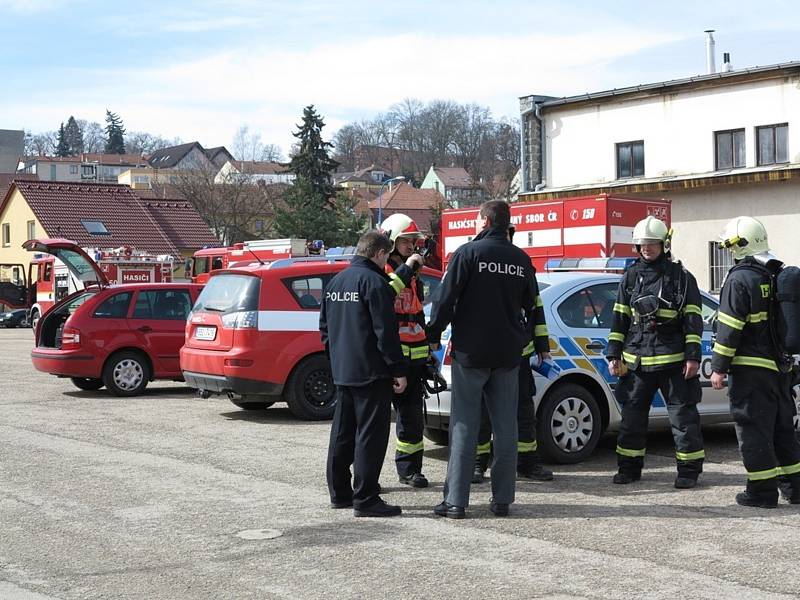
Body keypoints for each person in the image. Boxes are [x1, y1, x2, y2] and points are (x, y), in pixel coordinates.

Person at [427, 200, 537, 519]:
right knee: (506, 427)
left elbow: (445, 299)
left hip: (471, 353)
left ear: (486, 221)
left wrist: (433, 333)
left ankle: (456, 502)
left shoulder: (468, 253)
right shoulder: (520, 258)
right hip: (507, 355)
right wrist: (521, 338)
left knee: (464, 424)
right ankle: (502, 500)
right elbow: (531, 304)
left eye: (478, 219)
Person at [606, 216, 705, 488]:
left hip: (673, 362)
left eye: (652, 243)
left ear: (664, 244)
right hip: (636, 363)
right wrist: (614, 354)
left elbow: (693, 321)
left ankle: (688, 471)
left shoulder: (682, 278)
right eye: (642, 244)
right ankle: (628, 469)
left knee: (683, 420)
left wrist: (693, 356)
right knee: (632, 420)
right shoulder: (630, 277)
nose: (647, 248)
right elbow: (619, 320)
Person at [711, 216, 800, 508]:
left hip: (750, 369)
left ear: (740, 245)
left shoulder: (740, 278)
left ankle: (761, 493)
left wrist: (719, 367)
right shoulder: (776, 273)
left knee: (754, 430)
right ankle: (795, 488)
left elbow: (729, 327)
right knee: (782, 429)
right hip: (780, 368)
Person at [320, 230, 408, 518]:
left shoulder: (335, 282)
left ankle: (339, 492)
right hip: (372, 372)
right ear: (380, 254)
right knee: (370, 436)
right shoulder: (375, 283)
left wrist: (336, 359)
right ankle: (366, 498)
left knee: (342, 433)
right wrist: (397, 369)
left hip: (343, 370)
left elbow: (325, 329)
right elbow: (386, 333)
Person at [473, 226, 553, 484]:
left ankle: (527, 463)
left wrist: (542, 347)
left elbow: (535, 307)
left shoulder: (520, 262)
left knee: (523, 411)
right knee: (482, 412)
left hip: (518, 355)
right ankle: (478, 464)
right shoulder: (477, 259)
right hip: (486, 353)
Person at [380, 213, 431, 488]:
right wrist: (407, 269)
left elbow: (416, 314)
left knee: (411, 417)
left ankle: (411, 470)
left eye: (414, 242)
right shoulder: (384, 271)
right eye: (406, 241)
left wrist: (429, 352)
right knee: (375, 419)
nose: (412, 247)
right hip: (390, 359)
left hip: (415, 358)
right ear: (391, 242)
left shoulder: (412, 275)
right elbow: (384, 297)